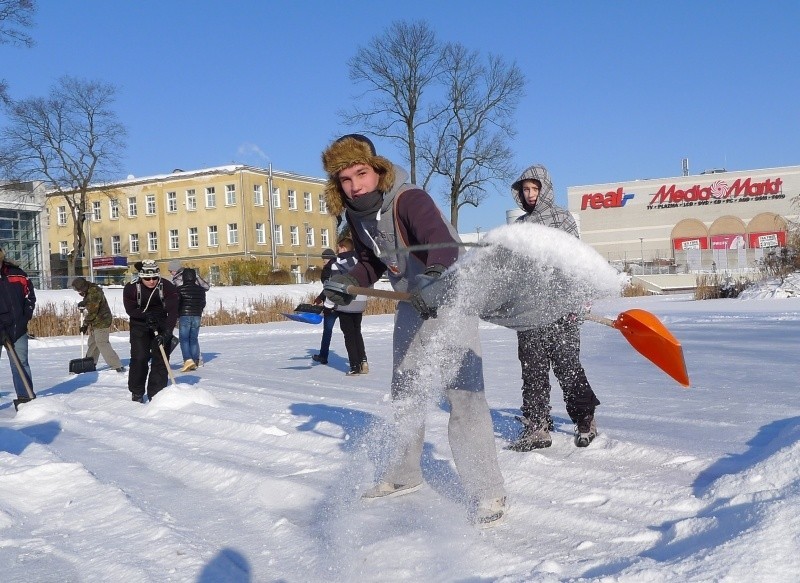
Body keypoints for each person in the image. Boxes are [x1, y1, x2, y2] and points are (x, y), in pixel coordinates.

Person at [320, 134, 506, 526]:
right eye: (346, 179)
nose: (356, 186)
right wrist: (349, 277)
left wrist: (435, 276)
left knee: (464, 393)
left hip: (451, 291)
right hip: (412, 298)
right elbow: (374, 260)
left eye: (361, 173)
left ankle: (487, 491)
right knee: (405, 388)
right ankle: (405, 473)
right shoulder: (356, 213)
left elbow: (440, 243)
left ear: (378, 169)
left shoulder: (408, 199)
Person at [507, 164, 601, 450]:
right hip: (530, 312)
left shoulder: (562, 219)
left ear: (545, 189)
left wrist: (575, 299)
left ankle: (585, 419)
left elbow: (576, 261)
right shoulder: (520, 226)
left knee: (567, 365)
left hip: (562, 309)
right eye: (526, 189)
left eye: (535, 189)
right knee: (533, 369)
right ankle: (537, 427)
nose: (531, 194)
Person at [123, 260, 178, 402]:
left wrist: (167, 332)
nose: (151, 281)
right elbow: (130, 309)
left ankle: (156, 394)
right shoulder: (131, 288)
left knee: (160, 360)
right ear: (141, 277)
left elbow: (173, 311)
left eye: (154, 278)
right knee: (139, 358)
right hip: (139, 323)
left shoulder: (167, 286)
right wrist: (145, 315)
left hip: (161, 323)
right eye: (147, 278)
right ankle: (137, 392)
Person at [0, 247, 36, 409]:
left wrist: (24, 319)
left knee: (20, 363)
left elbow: (30, 297)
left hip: (18, 328)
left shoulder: (17, 274)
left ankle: (25, 397)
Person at [330, 237, 368, 375]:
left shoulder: (337, 263)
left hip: (345, 302)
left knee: (349, 335)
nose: (337, 250)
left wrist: (329, 304)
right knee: (357, 332)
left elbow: (335, 285)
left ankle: (354, 366)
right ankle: (363, 361)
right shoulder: (360, 262)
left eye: (339, 247)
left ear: (343, 248)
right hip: (360, 300)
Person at [71, 277, 125, 372]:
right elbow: (89, 302)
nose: (78, 292)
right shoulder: (89, 290)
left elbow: (92, 311)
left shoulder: (94, 293)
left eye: (78, 290)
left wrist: (85, 324)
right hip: (95, 320)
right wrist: (84, 302)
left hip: (102, 320)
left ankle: (117, 365)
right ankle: (90, 363)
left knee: (101, 342)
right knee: (93, 343)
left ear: (83, 287)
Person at [168, 259, 210, 372]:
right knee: (194, 338)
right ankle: (196, 360)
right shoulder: (201, 290)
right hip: (197, 315)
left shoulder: (179, 289)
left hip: (184, 315)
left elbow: (177, 303)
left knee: (184, 339)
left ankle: (188, 359)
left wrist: (177, 313)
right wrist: (198, 311)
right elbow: (203, 303)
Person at [311, 248, 339, 365]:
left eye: (324, 259)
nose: (323, 261)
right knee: (351, 333)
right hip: (346, 304)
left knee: (327, 331)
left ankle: (323, 356)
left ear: (329, 258)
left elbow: (329, 287)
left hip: (331, 304)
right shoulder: (341, 266)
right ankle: (359, 361)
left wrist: (321, 298)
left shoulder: (329, 268)